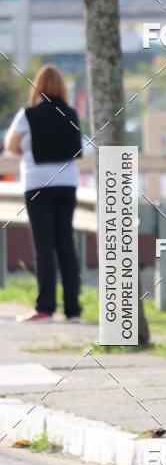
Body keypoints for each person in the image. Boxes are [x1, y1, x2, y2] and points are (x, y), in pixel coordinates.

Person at [3, 64, 83, 323]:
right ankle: (73, 310)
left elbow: (11, 145)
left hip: (37, 184)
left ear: (36, 86)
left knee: (44, 245)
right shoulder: (71, 113)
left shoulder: (28, 115)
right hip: (68, 184)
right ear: (61, 86)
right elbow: (79, 147)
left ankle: (45, 307)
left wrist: (23, 151)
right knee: (66, 245)